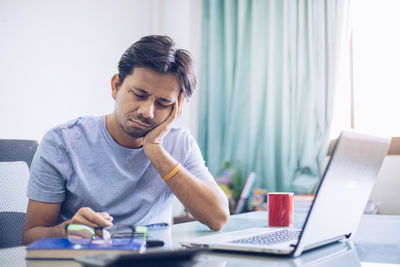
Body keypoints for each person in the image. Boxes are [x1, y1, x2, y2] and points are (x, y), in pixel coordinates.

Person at [22, 35, 229, 245]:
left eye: (163, 103)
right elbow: (29, 239)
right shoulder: (62, 141)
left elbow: (218, 217)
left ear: (177, 108)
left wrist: (155, 150)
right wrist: (66, 231)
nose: (147, 112)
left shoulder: (179, 143)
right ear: (116, 86)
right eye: (139, 94)